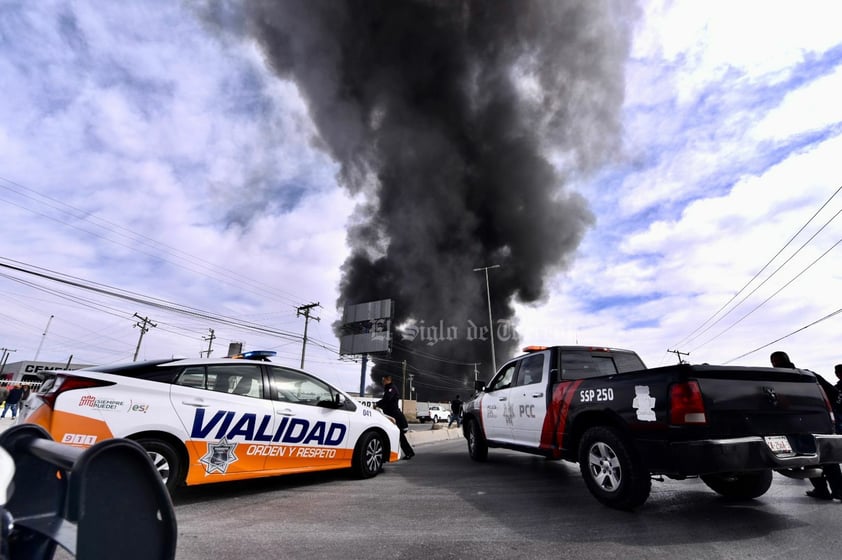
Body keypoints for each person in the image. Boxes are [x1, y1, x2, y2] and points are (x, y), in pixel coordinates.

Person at [770, 351, 842, 500]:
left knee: (809, 456)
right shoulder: (808, 375)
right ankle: (838, 491)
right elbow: (834, 394)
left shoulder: (778, 379)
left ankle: (822, 490)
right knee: (827, 455)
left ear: (774, 363)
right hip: (820, 419)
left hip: (798, 422)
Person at [376, 375, 415, 460]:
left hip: (394, 416)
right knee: (395, 435)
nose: (382, 382)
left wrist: (377, 404)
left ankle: (409, 452)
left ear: (387, 380)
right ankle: (406, 452)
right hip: (390, 415)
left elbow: (387, 399)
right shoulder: (388, 388)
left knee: (400, 435)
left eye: (383, 380)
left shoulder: (391, 388)